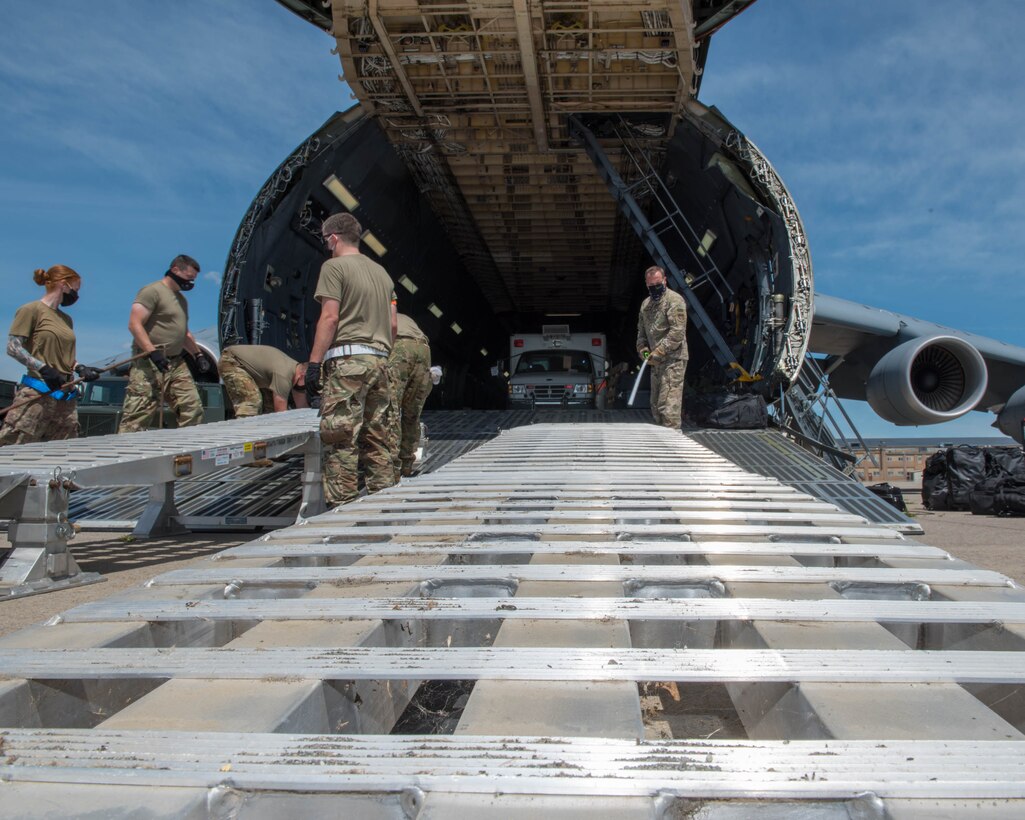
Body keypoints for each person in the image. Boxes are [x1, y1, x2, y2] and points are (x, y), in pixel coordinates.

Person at [305, 213, 397, 506]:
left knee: (340, 437)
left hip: (349, 362)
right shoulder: (383, 274)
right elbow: (393, 326)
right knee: (378, 437)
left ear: (333, 238)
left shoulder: (334, 267)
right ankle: (383, 502)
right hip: (381, 361)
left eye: (325, 240)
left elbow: (330, 317)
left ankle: (341, 508)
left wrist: (314, 364)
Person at [0, 265, 100, 445]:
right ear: (63, 284)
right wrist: (43, 368)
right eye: (75, 289)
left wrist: (80, 368)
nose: (76, 295)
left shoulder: (66, 319)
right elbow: (13, 347)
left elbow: (63, 355)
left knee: (63, 457)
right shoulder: (31, 310)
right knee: (14, 450)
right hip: (37, 396)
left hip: (65, 401)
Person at [118, 254, 212, 433]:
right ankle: (126, 456)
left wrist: (197, 354)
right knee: (138, 414)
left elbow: (183, 333)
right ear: (175, 270)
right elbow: (134, 324)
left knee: (192, 408)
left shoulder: (181, 300)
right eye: (188, 278)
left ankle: (185, 451)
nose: (190, 283)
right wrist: (152, 352)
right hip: (149, 361)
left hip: (175, 362)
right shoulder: (152, 291)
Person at [636, 265, 688, 429]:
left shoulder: (675, 301)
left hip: (673, 360)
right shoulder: (646, 305)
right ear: (646, 284)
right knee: (657, 406)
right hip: (656, 362)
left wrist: (659, 351)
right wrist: (643, 350)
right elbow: (641, 332)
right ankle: (663, 443)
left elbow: (677, 332)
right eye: (652, 286)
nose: (655, 289)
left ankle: (674, 444)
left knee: (668, 409)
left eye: (658, 284)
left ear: (665, 281)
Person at [386, 313, 433, 479]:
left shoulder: (373, 312)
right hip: (423, 348)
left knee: (390, 409)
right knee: (412, 412)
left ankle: (389, 467)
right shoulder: (404, 317)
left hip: (399, 345)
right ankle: (406, 464)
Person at [219, 344, 308, 417]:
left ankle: (264, 436)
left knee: (270, 407)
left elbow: (302, 408)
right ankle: (247, 435)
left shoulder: (298, 373)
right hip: (232, 361)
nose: (306, 388)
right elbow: (281, 413)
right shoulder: (284, 375)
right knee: (252, 401)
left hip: (246, 367)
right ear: (303, 374)